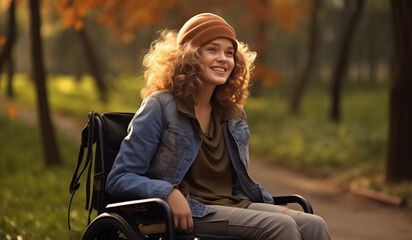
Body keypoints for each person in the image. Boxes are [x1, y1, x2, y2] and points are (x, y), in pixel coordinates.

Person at [106, 13, 331, 240]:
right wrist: (169, 193)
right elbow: (120, 178)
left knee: (314, 225)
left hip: (233, 204)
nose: (223, 58)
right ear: (189, 56)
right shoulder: (160, 106)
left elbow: (239, 181)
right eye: (212, 50)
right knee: (281, 226)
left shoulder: (233, 114)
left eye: (229, 53)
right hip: (188, 211)